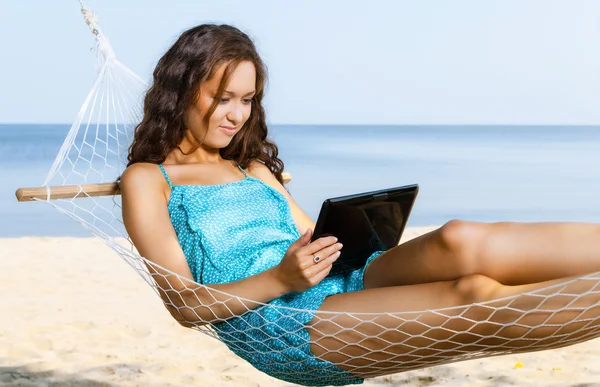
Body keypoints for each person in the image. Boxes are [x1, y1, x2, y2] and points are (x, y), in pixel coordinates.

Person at [120, 24, 600, 386]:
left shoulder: (254, 169)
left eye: (247, 100)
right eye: (223, 98)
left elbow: (314, 242)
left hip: (335, 283)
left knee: (459, 237)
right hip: (281, 324)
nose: (236, 115)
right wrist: (281, 278)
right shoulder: (150, 181)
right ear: (183, 90)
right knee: (471, 294)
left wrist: (352, 236)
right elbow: (184, 306)